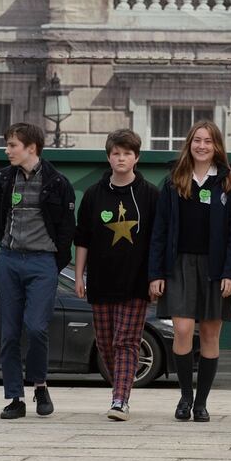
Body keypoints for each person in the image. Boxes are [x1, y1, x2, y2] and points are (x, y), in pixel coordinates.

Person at [148, 120, 231, 423]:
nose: (202, 146)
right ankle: (185, 397)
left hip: (215, 269)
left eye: (208, 141)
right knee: (183, 330)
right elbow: (159, 231)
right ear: (189, 144)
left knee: (210, 335)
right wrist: (156, 273)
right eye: (197, 140)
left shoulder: (228, 183)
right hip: (179, 266)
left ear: (217, 147)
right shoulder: (174, 181)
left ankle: (201, 402)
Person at [74, 129, 159, 421]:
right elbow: (82, 238)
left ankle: (120, 398)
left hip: (136, 282)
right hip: (100, 280)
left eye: (127, 153)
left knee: (126, 341)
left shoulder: (150, 195)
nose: (121, 158)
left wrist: (156, 277)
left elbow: (157, 240)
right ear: (108, 157)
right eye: (116, 153)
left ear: (136, 157)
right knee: (106, 342)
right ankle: (119, 388)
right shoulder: (93, 195)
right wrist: (78, 276)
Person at [0, 122, 76, 419]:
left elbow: (67, 230)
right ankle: (15, 397)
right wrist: (7, 251)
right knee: (9, 333)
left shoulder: (57, 182)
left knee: (37, 328)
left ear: (32, 148)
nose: (7, 151)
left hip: (43, 262)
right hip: (9, 260)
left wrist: (53, 263)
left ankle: (40, 385)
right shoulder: (3, 179)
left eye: (12, 145)